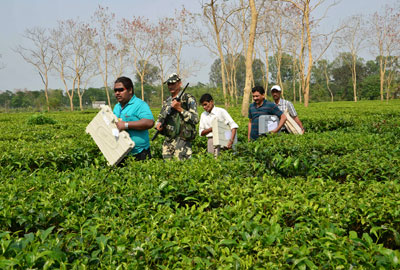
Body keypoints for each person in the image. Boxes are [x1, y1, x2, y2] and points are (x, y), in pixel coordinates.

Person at [155, 73, 199, 160]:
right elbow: (160, 118)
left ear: (180, 83)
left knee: (181, 169)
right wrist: (158, 125)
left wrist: (180, 109)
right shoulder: (167, 101)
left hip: (182, 141)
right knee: (167, 169)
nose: (171, 86)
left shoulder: (188, 98)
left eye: (173, 83)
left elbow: (195, 119)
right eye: (169, 84)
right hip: (168, 141)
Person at [113, 76, 154, 161]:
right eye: (115, 90)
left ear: (130, 90)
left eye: (121, 90)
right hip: (121, 153)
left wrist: (126, 125)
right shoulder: (117, 107)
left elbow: (149, 122)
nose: (117, 93)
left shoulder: (139, 105)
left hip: (140, 154)